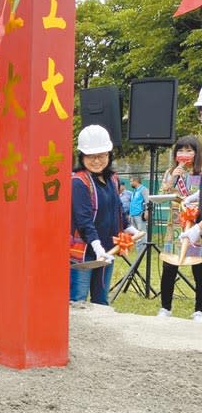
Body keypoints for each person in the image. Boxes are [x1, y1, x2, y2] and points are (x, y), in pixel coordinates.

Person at [70, 125, 135, 305]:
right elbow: (83, 220)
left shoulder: (112, 178)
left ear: (109, 155)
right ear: (82, 156)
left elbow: (118, 208)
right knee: (77, 301)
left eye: (101, 155)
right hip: (84, 252)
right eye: (91, 156)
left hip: (107, 250)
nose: (96, 160)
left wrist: (129, 227)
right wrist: (97, 247)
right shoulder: (78, 181)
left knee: (101, 300)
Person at [157, 135, 202, 322]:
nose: (184, 154)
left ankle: (199, 310)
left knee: (199, 268)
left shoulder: (199, 173)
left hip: (197, 226)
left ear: (197, 153)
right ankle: (165, 308)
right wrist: (172, 180)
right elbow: (161, 194)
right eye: (180, 150)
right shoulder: (170, 172)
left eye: (189, 150)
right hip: (175, 225)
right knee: (170, 265)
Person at [128, 176, 149, 249]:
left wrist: (147, 211)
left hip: (139, 215)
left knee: (141, 232)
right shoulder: (135, 191)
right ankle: (139, 249)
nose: (130, 183)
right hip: (133, 215)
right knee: (136, 234)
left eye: (131, 181)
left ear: (136, 181)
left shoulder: (144, 189)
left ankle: (143, 249)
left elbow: (147, 201)